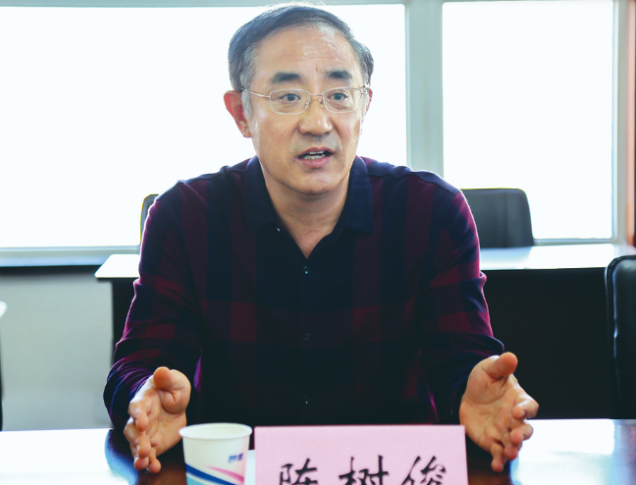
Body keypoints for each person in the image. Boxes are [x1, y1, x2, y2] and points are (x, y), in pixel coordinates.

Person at [104, 3, 538, 475]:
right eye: (289, 96)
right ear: (241, 113)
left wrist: (472, 388)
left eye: (338, 94)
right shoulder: (185, 217)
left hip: (390, 472)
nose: (318, 122)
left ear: (364, 104)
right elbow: (141, 363)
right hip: (239, 474)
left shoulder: (430, 212)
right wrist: (142, 396)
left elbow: (461, 358)